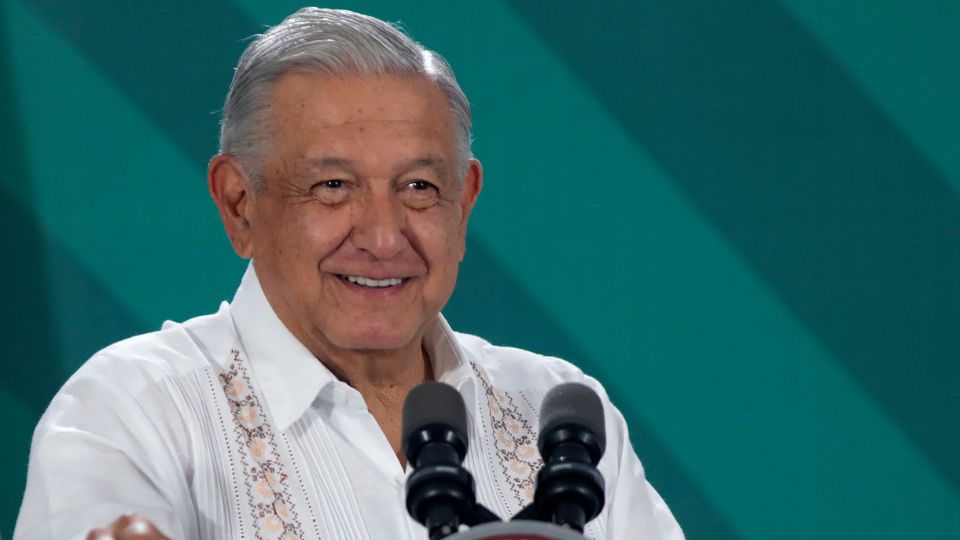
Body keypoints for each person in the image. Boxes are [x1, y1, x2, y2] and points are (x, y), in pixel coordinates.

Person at [14, 7, 683, 540]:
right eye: (333, 185)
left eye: (419, 187)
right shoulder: (133, 410)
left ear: (464, 203)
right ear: (239, 205)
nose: (384, 236)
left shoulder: (557, 412)